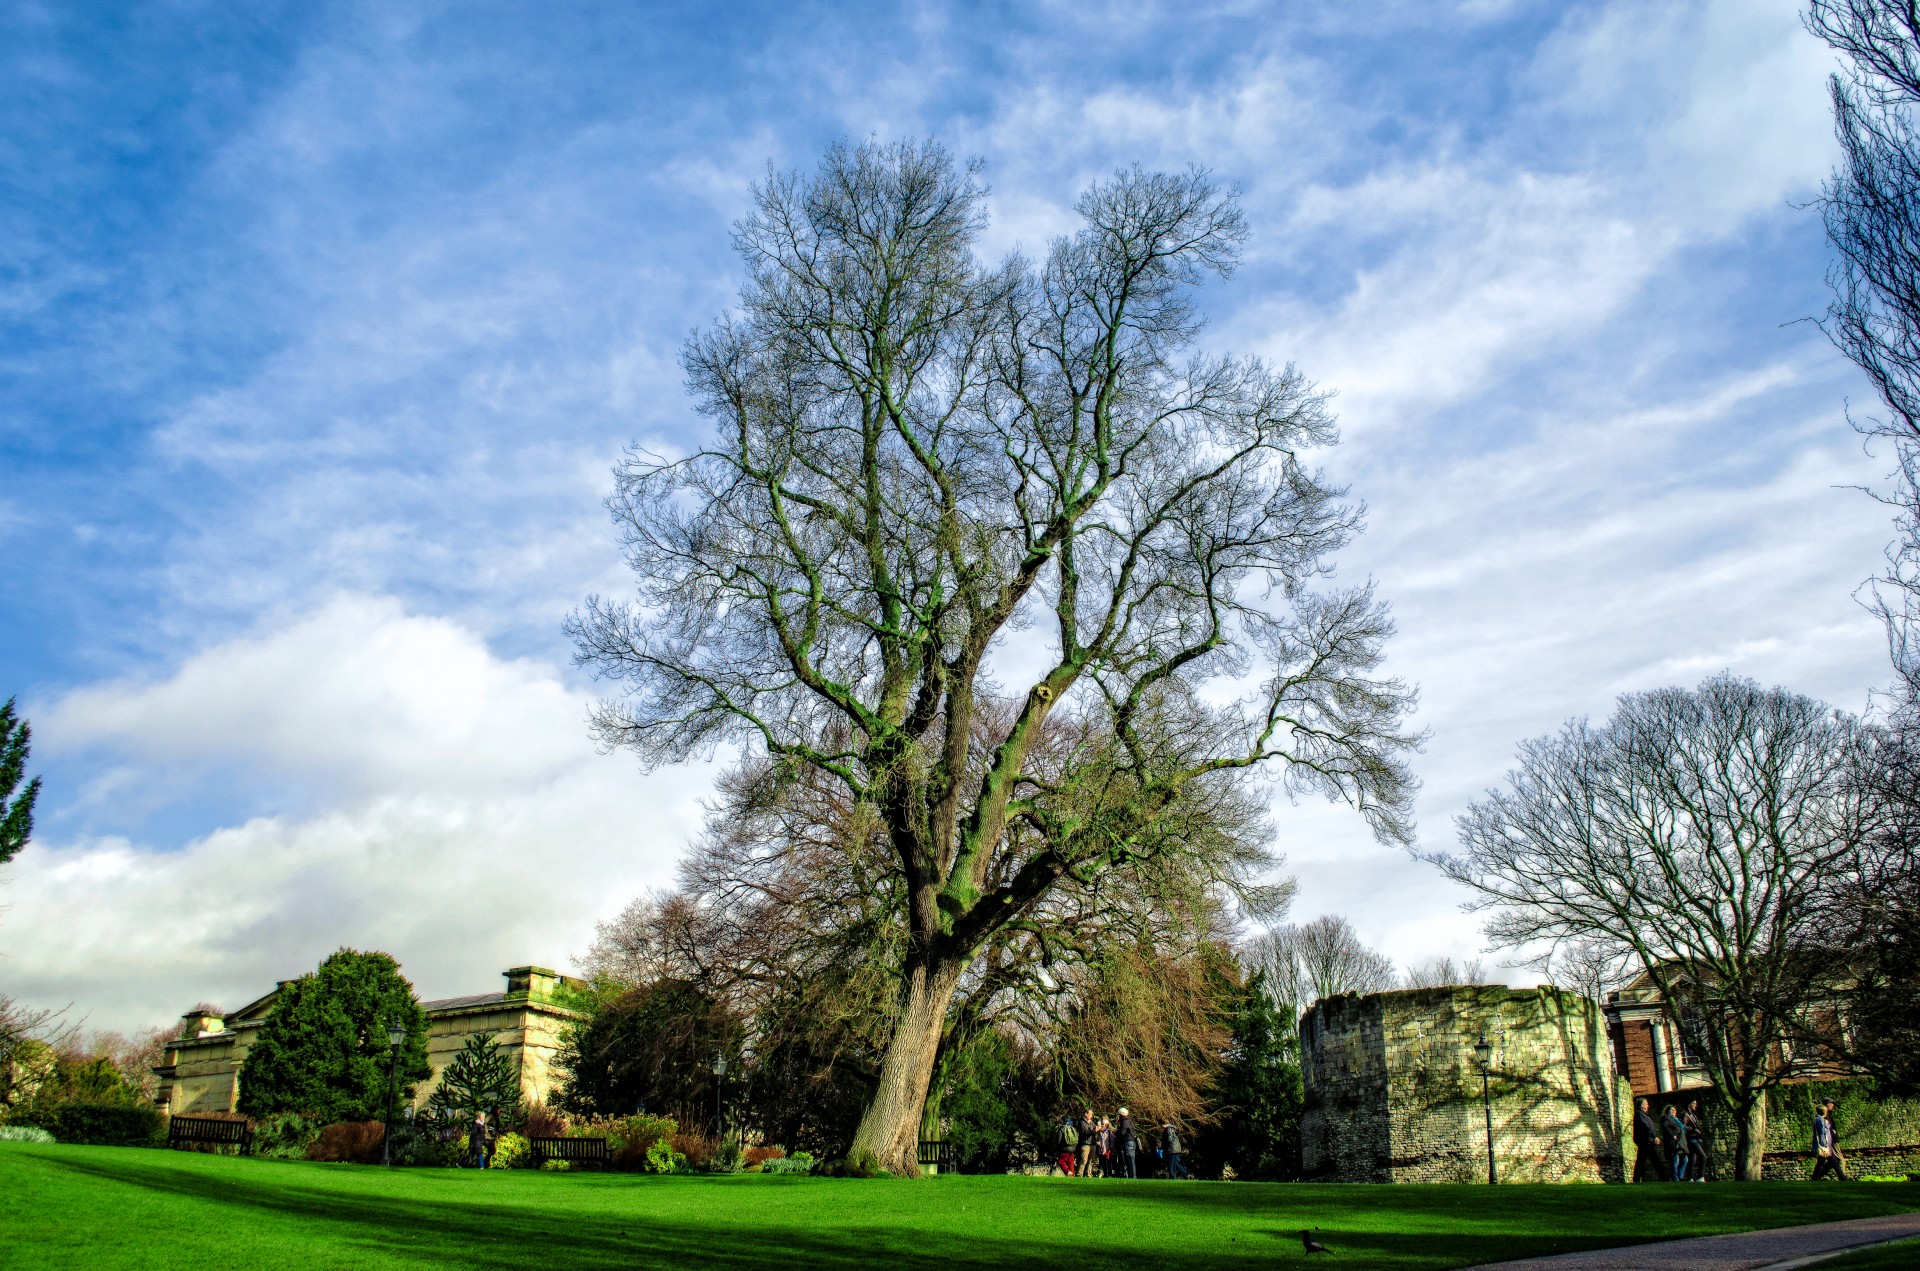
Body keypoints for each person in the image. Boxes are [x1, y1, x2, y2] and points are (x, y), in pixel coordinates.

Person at [1812, 1099, 1849, 1181]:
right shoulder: (1820, 1120)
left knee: (1823, 1162)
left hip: (1825, 1144)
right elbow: (1822, 1131)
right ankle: (1843, 1178)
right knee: (1834, 1162)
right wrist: (1829, 1128)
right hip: (1824, 1145)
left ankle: (1815, 1177)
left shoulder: (1818, 1119)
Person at [1632, 1097, 1663, 1182]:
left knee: (1655, 1160)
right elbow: (1646, 1127)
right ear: (1642, 1105)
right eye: (1646, 1104)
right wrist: (1654, 1137)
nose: (1648, 1105)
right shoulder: (1639, 1114)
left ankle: (1664, 1177)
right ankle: (1636, 1179)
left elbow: (1650, 1127)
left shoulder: (1645, 1115)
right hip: (1644, 1141)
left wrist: (1654, 1137)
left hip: (1649, 1141)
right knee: (1641, 1161)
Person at [1684, 1100, 1710, 1183]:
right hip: (1691, 1139)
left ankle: (1689, 1178)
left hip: (1696, 1138)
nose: (1696, 1105)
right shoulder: (1686, 1114)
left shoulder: (1693, 1115)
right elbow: (1683, 1126)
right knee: (1703, 1156)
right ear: (1689, 1104)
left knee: (1692, 1160)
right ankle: (1700, 1176)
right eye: (1694, 1103)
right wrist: (1693, 1130)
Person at [1661, 1104, 1687, 1181]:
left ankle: (1680, 1176)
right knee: (1676, 1161)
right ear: (1667, 1111)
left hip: (1681, 1142)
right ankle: (1676, 1178)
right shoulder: (1667, 1119)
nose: (1673, 1111)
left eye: (1674, 1110)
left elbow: (1681, 1129)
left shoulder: (1677, 1120)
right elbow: (1665, 1127)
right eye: (1671, 1110)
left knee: (1685, 1160)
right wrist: (1672, 1135)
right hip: (1674, 1142)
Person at [1115, 1107, 1138, 1179]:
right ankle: (1132, 1176)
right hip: (1130, 1141)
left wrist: (1117, 1132)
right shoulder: (1129, 1121)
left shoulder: (1125, 1121)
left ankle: (1132, 1176)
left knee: (1130, 1160)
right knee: (1130, 1159)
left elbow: (1122, 1132)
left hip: (1128, 1142)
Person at [1076, 1109, 1097, 1178]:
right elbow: (1086, 1133)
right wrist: (1095, 1130)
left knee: (1091, 1160)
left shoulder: (1091, 1123)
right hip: (1085, 1143)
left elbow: (1094, 1131)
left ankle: (1088, 1174)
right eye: (1090, 1114)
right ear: (1086, 1114)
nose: (1091, 1116)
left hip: (1092, 1143)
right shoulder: (1081, 1122)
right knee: (1083, 1160)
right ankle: (1079, 1174)